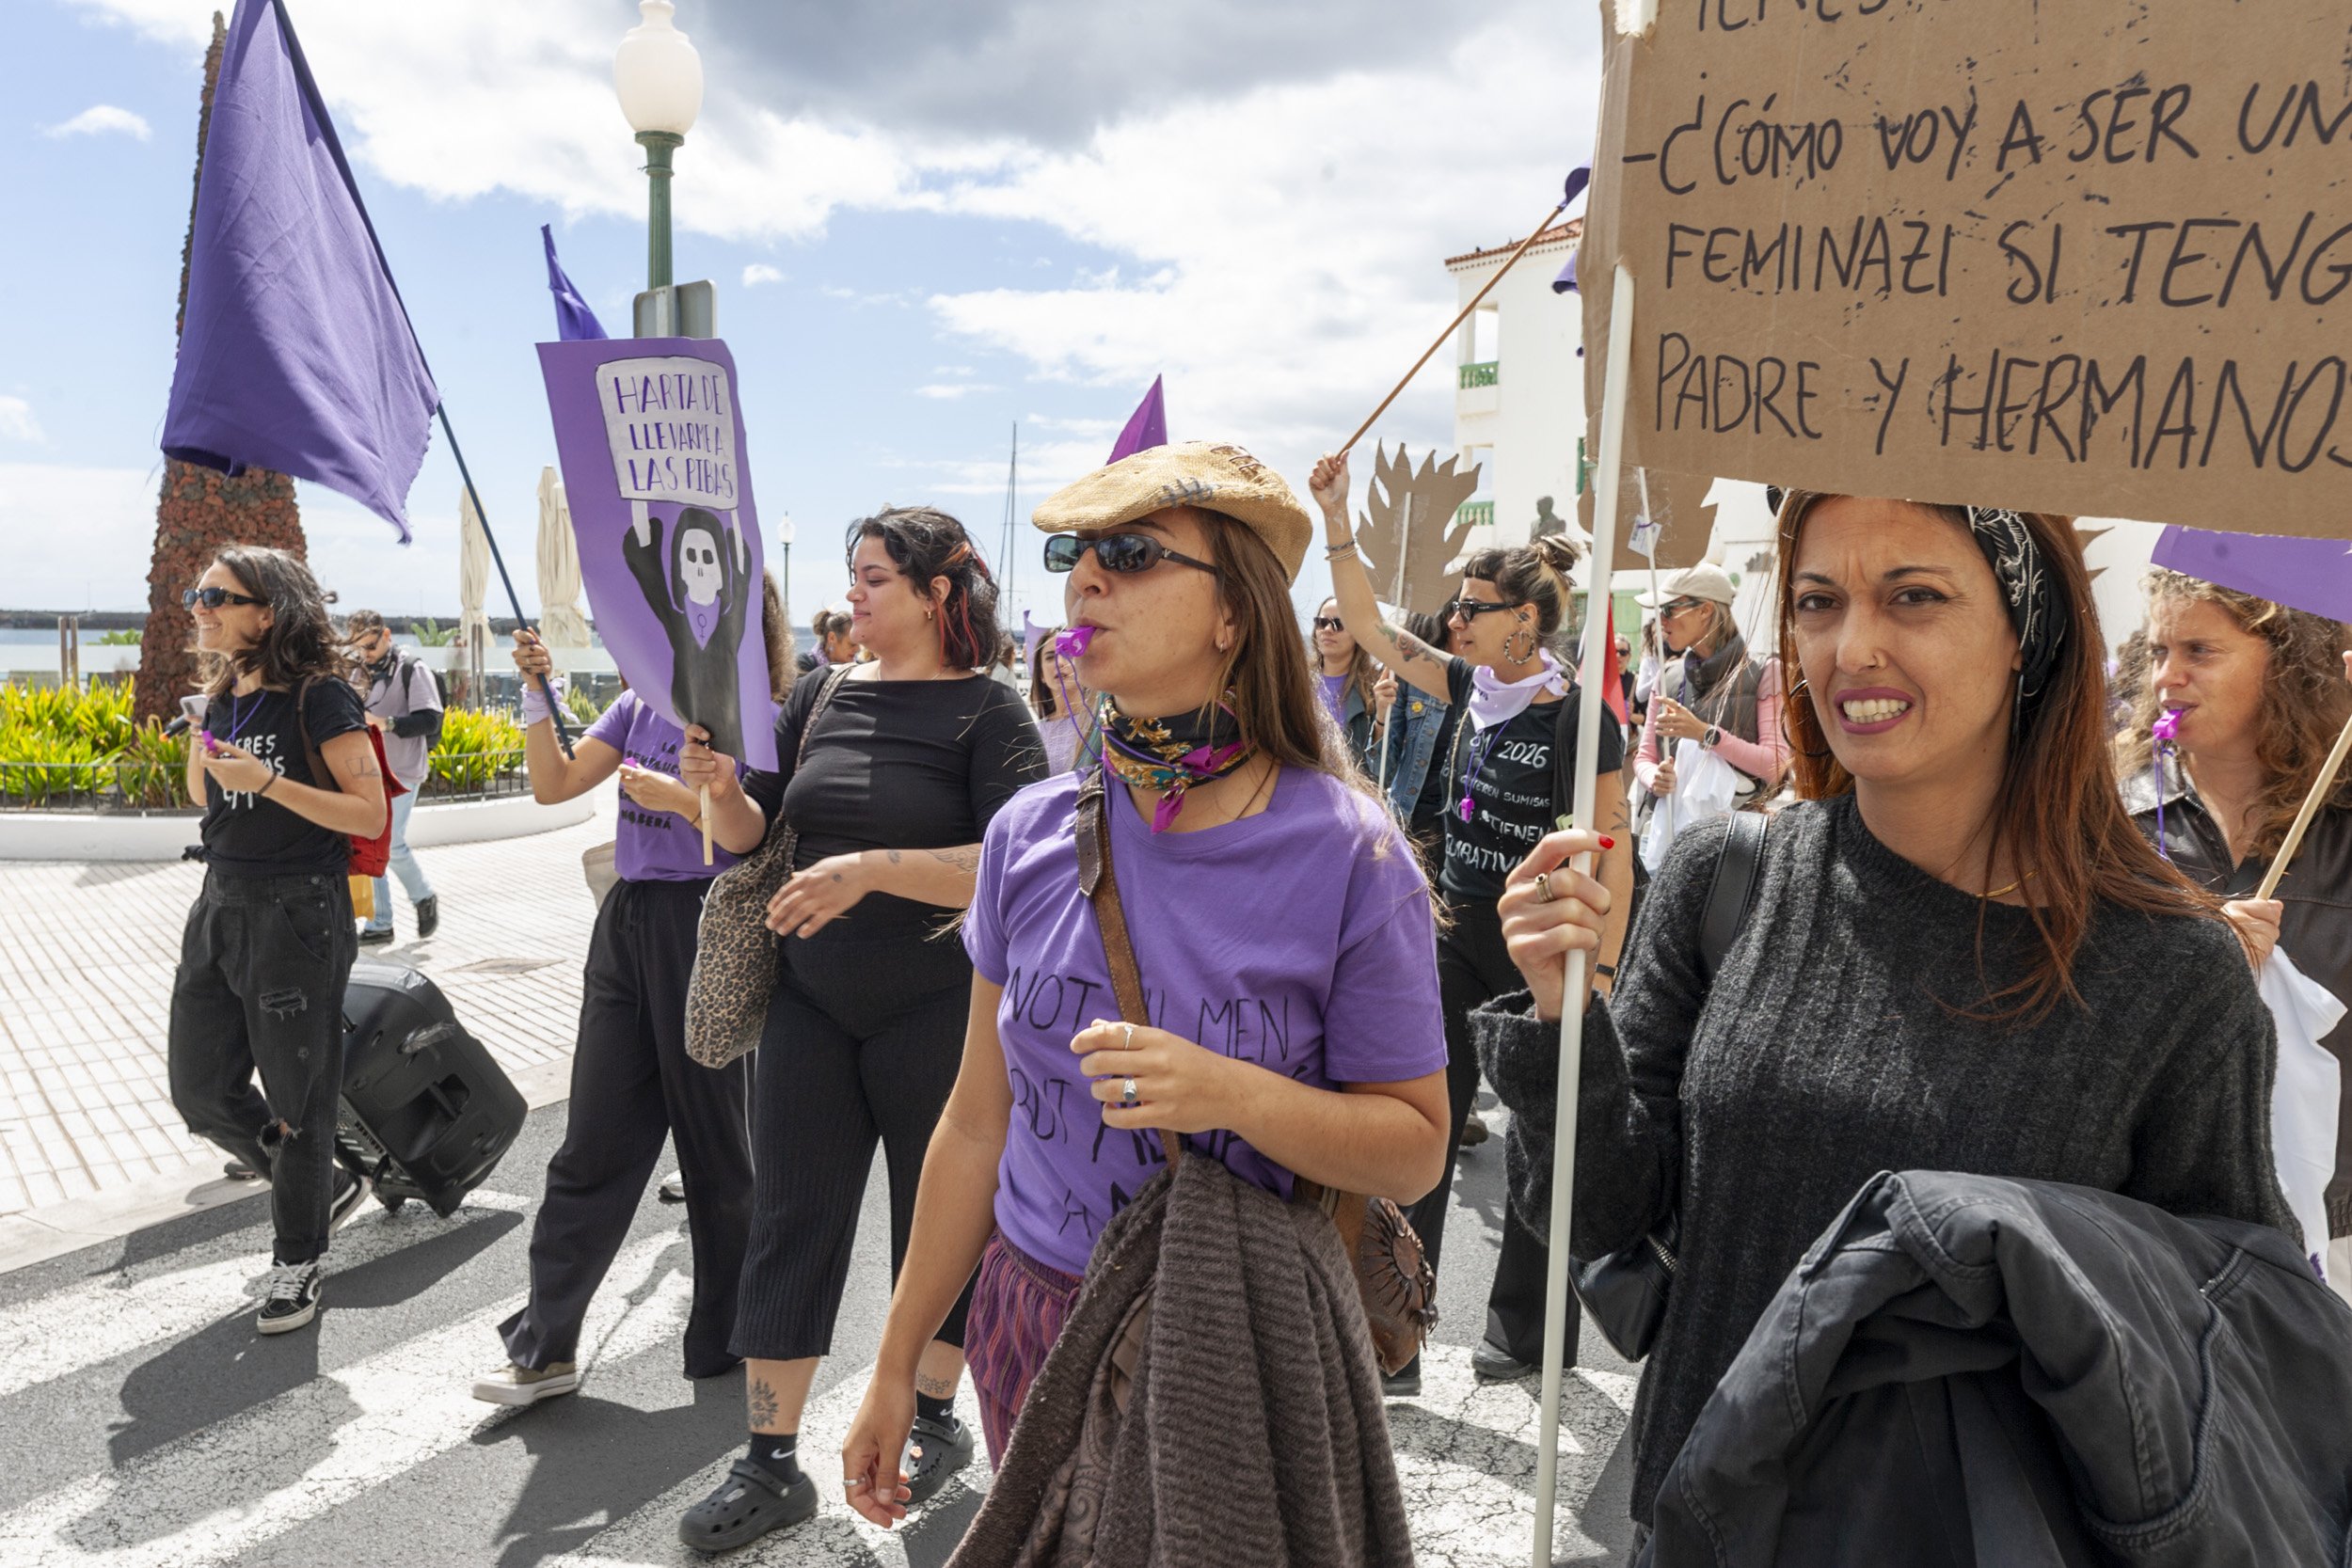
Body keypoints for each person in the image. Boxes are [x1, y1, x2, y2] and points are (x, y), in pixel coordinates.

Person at [1478, 494, 2295, 1544]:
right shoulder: (1728, 878)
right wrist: (1561, 1011)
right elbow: (1602, 1218)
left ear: (2023, 632)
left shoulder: (2172, 976)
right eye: (1818, 601)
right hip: (1699, 1515)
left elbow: (2225, 1338)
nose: (1852, 646)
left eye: (1913, 596)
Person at [837, 438, 1450, 1525]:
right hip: (1028, 1321)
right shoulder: (1026, 834)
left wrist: (1227, 1092)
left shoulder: (1354, 855)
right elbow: (976, 1124)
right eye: (1077, 553)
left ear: (1235, 614)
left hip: (1231, 1328)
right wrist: (891, 1362)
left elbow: (1413, 1140)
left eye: (1132, 551)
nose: (1085, 577)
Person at [675, 507, 1044, 1552]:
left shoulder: (991, 713)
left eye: (874, 577)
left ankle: (932, 1419)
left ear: (935, 592)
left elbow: (1013, 865)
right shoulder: (821, 693)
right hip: (808, 1001)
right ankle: (768, 1458)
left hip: (940, 1004)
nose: (853, 596)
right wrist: (717, 793)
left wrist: (874, 869)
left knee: (937, 1222)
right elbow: (759, 831)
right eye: (852, 576)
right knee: (790, 1214)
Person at [1313, 448, 1634, 1393]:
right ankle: (1395, 1330)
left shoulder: (1581, 720)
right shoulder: (1461, 685)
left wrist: (1597, 983)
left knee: (1541, 1139)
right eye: (1455, 608)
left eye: (1470, 608)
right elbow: (1367, 624)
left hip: (1539, 955)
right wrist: (1335, 516)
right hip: (1452, 939)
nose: (1453, 621)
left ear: (1524, 621)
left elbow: (1611, 851)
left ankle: (1525, 1337)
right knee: (1419, 1133)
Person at [470, 614, 763, 1407]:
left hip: (706, 922)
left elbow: (753, 835)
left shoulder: (747, 708)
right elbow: (554, 784)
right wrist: (536, 693)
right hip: (630, 921)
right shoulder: (636, 705)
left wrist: (680, 797)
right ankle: (544, 1343)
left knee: (716, 1148)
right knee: (590, 1139)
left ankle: (729, 1335)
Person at [167, 546, 387, 1335]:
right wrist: (206, 746)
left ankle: (297, 1259)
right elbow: (203, 796)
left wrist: (265, 783)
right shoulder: (224, 693)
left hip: (300, 911)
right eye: (198, 595)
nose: (201, 607)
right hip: (220, 900)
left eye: (218, 596)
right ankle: (321, 1182)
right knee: (198, 1088)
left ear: (270, 611)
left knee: (299, 1101)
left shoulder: (320, 696)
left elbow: (368, 813)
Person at [2121, 569, 2352, 1302]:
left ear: (2282, 664)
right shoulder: (2117, 823)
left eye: (2199, 650)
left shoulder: (2342, 817)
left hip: (2338, 1231)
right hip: (2173, 1228)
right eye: (2159, 650)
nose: (2168, 676)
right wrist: (2201, 963)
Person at [1631, 561, 1789, 830]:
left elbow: (1776, 766)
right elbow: (1645, 757)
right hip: (1670, 835)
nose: (1661, 620)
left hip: (1735, 837)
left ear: (1705, 610)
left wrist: (1705, 734)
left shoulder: (1765, 672)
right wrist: (1654, 778)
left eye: (1669, 609)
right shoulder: (1668, 675)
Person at [343, 609, 442, 944]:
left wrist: (386, 724)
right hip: (366, 770)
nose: (366, 654)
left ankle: (423, 897)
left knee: (392, 843)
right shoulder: (357, 671)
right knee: (372, 842)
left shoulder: (412, 668)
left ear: (386, 635)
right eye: (359, 648)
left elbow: (430, 720)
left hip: (402, 771)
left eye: (370, 646)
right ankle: (380, 922)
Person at [1311, 594, 1381, 768]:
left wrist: (1382, 720)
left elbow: (1378, 767)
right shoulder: (1294, 681)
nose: (1328, 629)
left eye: (1338, 624)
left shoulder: (1374, 692)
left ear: (1357, 634)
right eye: (1322, 622)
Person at [1027, 631, 1094, 775]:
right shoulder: (1034, 732)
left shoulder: (1099, 722)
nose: (1059, 663)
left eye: (1068, 653)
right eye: (1050, 657)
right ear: (1041, 675)